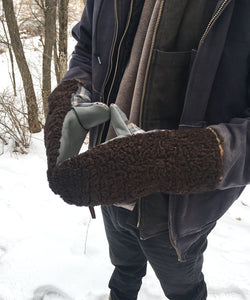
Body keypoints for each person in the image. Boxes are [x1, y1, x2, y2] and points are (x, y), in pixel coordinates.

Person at [44, 0, 250, 299]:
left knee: (184, 289)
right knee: (124, 269)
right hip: (106, 184)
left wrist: (167, 160)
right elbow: (86, 47)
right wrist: (69, 96)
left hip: (179, 213)